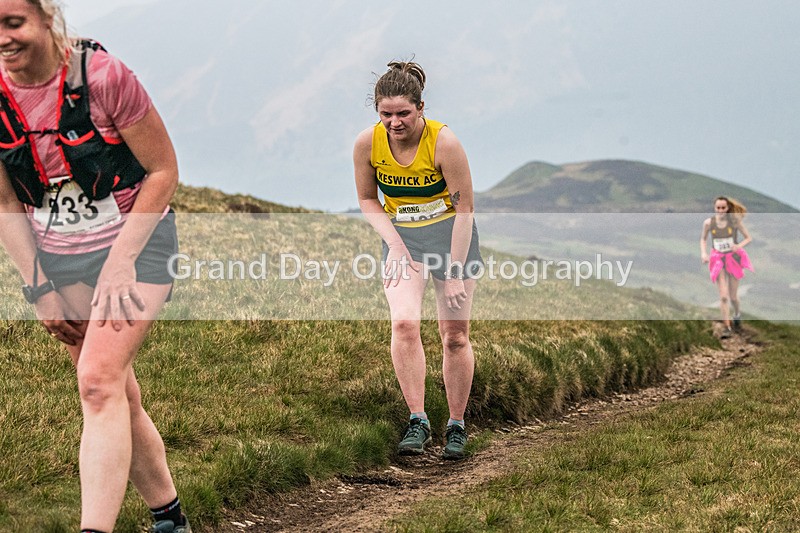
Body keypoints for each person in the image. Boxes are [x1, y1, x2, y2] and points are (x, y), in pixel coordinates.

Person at [0, 1, 189, 531]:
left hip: (137, 243)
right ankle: (171, 519)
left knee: (98, 381)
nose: (4, 38)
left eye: (13, 22)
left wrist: (121, 262)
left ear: (45, 19)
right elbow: (6, 203)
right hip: (58, 255)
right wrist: (38, 287)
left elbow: (163, 170)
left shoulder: (102, 76)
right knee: (116, 392)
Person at [353, 61, 484, 460]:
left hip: (451, 239)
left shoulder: (445, 144)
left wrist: (457, 271)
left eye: (403, 113)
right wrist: (394, 244)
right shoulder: (367, 144)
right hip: (402, 242)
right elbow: (367, 199)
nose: (394, 122)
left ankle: (457, 426)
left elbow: (465, 211)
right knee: (405, 323)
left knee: (454, 335)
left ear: (421, 107)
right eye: (385, 114)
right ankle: (418, 420)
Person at [700, 196, 753, 339]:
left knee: (733, 297)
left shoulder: (734, 222)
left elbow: (748, 237)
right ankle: (727, 327)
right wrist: (704, 253)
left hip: (733, 260)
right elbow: (703, 239)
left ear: (728, 208)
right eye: (718, 208)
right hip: (718, 260)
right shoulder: (709, 223)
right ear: (714, 208)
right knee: (723, 296)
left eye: (723, 208)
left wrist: (738, 246)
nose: (720, 210)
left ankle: (736, 314)